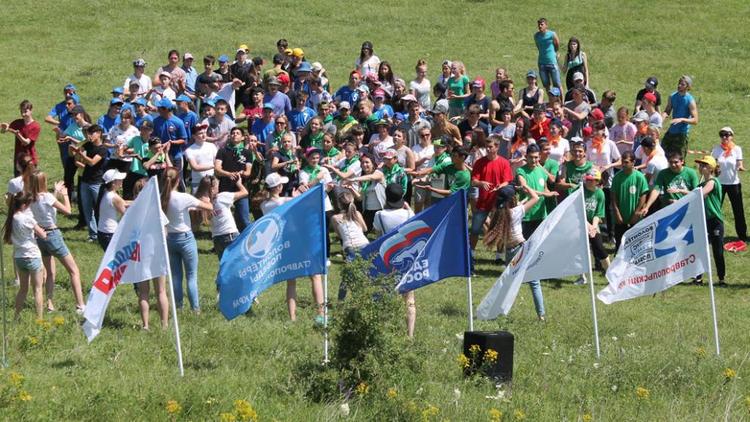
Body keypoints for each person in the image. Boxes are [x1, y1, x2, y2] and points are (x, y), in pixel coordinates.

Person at [261, 172, 325, 324]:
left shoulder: (264, 205)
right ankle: (321, 314)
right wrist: (317, 179)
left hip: (282, 244)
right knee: (315, 275)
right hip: (298, 240)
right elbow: (306, 198)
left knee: (291, 281)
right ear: (278, 187)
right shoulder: (283, 201)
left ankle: (292, 318)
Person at [483, 185, 546, 320]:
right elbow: (536, 197)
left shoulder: (498, 213)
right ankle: (541, 315)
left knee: (507, 283)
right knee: (534, 282)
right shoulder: (516, 212)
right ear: (512, 199)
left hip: (510, 252)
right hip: (522, 248)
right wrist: (525, 187)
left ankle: (497, 310)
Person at [29, 171, 85, 314]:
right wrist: (65, 194)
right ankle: (80, 305)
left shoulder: (30, 198)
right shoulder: (47, 197)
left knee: (49, 272)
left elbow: (46, 206)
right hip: (53, 235)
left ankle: (49, 304)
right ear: (43, 182)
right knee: (74, 271)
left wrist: (55, 192)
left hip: (39, 236)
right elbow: (68, 211)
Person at [161, 167, 213, 312]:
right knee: (191, 276)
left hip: (169, 238)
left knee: (176, 277)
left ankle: (179, 307)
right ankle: (195, 309)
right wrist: (204, 200)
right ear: (178, 180)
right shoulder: (184, 197)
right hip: (185, 238)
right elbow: (208, 207)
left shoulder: (161, 197)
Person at [372, 183, 418, 337]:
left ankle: (384, 330)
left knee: (385, 295)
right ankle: (409, 335)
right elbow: (415, 223)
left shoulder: (379, 215)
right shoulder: (407, 214)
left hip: (387, 258)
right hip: (406, 258)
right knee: (409, 298)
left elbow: (377, 233)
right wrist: (408, 208)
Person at [130, 178, 169, 331]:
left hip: (140, 254)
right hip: (157, 252)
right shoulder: (156, 209)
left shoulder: (132, 210)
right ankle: (164, 324)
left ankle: (146, 325)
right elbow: (165, 232)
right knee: (161, 291)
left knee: (143, 292)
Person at [469, 136, 513, 265]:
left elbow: (507, 181)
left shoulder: (504, 163)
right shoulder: (479, 162)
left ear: (497, 147)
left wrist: (501, 186)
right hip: (483, 201)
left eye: (491, 147)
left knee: (499, 228)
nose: (488, 149)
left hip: (499, 202)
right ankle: (471, 254)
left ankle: (499, 256)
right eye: (486, 147)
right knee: (475, 229)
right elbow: (473, 181)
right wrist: (481, 183)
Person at [3, 191, 46, 320]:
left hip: (19, 257)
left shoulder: (11, 218)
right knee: (38, 289)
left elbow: (10, 240)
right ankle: (39, 318)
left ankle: (16, 316)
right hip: (32, 255)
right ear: (24, 205)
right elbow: (42, 235)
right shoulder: (28, 218)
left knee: (23, 289)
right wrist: (43, 232)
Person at [194, 175, 247, 261]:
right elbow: (244, 192)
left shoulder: (203, 203)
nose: (219, 188)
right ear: (212, 189)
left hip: (216, 238)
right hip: (230, 234)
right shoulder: (222, 197)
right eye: (217, 186)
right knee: (239, 264)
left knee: (224, 268)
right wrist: (239, 183)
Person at [70, 125, 108, 242]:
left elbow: (92, 162)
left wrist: (81, 154)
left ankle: (106, 232)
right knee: (87, 210)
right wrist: (75, 151)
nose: (89, 136)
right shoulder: (87, 145)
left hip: (96, 182)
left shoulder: (102, 149)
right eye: (88, 134)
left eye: (92, 133)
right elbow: (76, 156)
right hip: (85, 181)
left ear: (99, 133)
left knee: (101, 209)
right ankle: (93, 235)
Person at [514, 144, 560, 238]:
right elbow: (525, 188)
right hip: (527, 215)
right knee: (525, 247)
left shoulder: (542, 171)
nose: (534, 160)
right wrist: (545, 194)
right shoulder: (521, 171)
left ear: (539, 157)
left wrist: (551, 194)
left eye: (536, 157)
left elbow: (545, 188)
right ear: (526, 157)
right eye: (531, 157)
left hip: (541, 214)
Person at [215, 127, 254, 231]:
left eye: (237, 133)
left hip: (241, 189)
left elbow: (248, 172)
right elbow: (217, 169)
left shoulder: (247, 153)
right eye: (233, 133)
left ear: (242, 138)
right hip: (225, 188)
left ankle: (248, 242)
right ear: (230, 136)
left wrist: (242, 173)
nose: (235, 135)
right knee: (224, 219)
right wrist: (228, 174)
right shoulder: (222, 151)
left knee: (244, 219)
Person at [710, 127, 746, 243]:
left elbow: (739, 163)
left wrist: (740, 167)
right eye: (722, 134)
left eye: (727, 134)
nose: (725, 137)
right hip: (719, 184)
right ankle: (713, 233)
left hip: (734, 184)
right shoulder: (716, 149)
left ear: (732, 136)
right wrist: (715, 170)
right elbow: (712, 165)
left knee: (738, 210)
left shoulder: (737, 149)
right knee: (715, 209)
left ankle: (742, 235)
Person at [333, 189, 370, 299]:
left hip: (350, 247)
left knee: (347, 277)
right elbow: (365, 228)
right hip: (364, 244)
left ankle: (341, 301)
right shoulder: (357, 214)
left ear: (339, 204)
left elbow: (339, 235)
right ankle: (365, 297)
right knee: (365, 273)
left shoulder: (335, 218)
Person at [694, 156, 726, 285]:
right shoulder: (700, 184)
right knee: (701, 250)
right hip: (704, 220)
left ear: (711, 168)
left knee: (717, 251)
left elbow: (700, 194)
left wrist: (681, 191)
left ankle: (721, 278)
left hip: (715, 221)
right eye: (700, 165)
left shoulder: (713, 181)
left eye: (704, 165)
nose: (701, 167)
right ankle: (698, 278)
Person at [639, 152, 699, 217]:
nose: (673, 165)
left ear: (682, 161)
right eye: (671, 162)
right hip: (668, 209)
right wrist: (647, 207)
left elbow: (696, 193)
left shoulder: (691, 173)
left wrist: (680, 197)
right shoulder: (663, 173)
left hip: (685, 209)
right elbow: (656, 190)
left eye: (676, 162)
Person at [610, 151, 649, 250]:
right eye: (623, 161)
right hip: (621, 217)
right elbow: (613, 196)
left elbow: (643, 195)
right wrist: (616, 212)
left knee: (636, 245)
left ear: (633, 162)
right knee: (620, 244)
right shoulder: (617, 177)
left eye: (626, 162)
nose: (623, 164)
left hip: (635, 218)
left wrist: (637, 212)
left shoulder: (639, 177)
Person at [580, 169, 611, 283]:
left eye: (592, 180)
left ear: (597, 181)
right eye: (587, 180)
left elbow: (599, 213)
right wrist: (588, 226)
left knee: (599, 248)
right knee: (580, 250)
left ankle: (610, 275)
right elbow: (578, 211)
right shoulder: (580, 191)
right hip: (580, 223)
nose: (588, 182)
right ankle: (582, 277)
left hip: (593, 224)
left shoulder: (600, 193)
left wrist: (593, 227)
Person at [344, 153, 384, 231]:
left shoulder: (379, 173)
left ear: (373, 164)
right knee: (364, 232)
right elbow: (360, 198)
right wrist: (351, 188)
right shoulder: (363, 181)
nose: (364, 164)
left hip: (381, 209)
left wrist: (354, 179)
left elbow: (371, 177)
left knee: (382, 234)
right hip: (368, 210)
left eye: (367, 162)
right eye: (362, 163)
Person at [661, 75, 698, 157]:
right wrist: (661, 119)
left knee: (679, 158)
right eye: (679, 83)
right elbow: (667, 111)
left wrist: (681, 119)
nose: (679, 86)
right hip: (671, 131)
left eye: (682, 84)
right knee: (662, 154)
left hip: (682, 134)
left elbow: (695, 120)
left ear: (688, 87)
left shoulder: (690, 100)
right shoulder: (672, 96)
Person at [0, 100, 41, 171]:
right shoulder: (18, 122)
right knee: (18, 181)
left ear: (31, 110)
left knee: (30, 182)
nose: (23, 114)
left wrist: (17, 134)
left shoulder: (36, 126)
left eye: (25, 111)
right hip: (18, 160)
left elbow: (26, 142)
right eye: (21, 112)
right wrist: (4, 128)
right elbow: (4, 131)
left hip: (29, 160)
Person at [95, 169, 128, 251]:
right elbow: (127, 213)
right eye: (119, 180)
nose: (122, 181)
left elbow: (123, 202)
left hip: (102, 231)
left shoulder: (106, 192)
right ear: (113, 183)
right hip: (110, 233)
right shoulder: (114, 197)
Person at [184, 124, 217, 192]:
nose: (204, 135)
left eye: (205, 132)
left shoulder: (212, 146)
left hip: (212, 181)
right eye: (200, 133)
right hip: (197, 183)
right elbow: (195, 167)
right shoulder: (189, 150)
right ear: (194, 136)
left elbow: (216, 161)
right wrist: (213, 166)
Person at [534, 17, 561, 91]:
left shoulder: (552, 34)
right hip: (542, 63)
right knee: (546, 85)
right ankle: (551, 100)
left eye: (542, 24)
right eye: (539, 25)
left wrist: (554, 53)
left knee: (557, 84)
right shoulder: (536, 36)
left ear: (546, 25)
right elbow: (538, 46)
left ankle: (561, 101)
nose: (540, 26)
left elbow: (557, 44)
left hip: (552, 62)